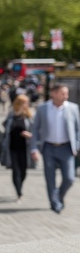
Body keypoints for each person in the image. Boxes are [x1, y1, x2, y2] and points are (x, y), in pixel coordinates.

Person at [30, 84, 80, 214]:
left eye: (67, 93)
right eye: (63, 93)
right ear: (54, 93)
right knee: (50, 178)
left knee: (69, 178)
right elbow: (35, 129)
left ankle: (59, 195)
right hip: (49, 148)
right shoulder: (43, 108)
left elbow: (77, 129)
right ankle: (55, 203)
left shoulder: (73, 108)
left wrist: (77, 145)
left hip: (67, 148)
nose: (66, 96)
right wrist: (34, 149)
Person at [0, 95, 34, 203]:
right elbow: (5, 126)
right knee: (16, 170)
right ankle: (19, 192)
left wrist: (29, 134)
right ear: (19, 103)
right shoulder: (11, 116)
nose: (27, 105)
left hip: (25, 148)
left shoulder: (29, 117)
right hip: (12, 148)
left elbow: (36, 131)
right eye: (25, 103)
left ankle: (20, 185)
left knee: (24, 171)